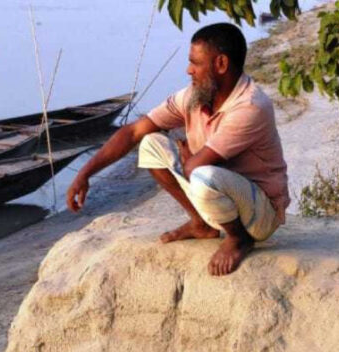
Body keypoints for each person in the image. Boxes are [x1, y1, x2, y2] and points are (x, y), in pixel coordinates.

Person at [66, 23, 290, 276]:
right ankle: (201, 224)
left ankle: (239, 240)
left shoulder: (251, 106)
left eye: (195, 63)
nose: (188, 70)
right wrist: (85, 174)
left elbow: (196, 169)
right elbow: (134, 132)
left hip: (259, 213)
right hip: (215, 192)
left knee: (203, 175)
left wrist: (189, 160)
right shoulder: (194, 96)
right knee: (150, 144)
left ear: (221, 64)